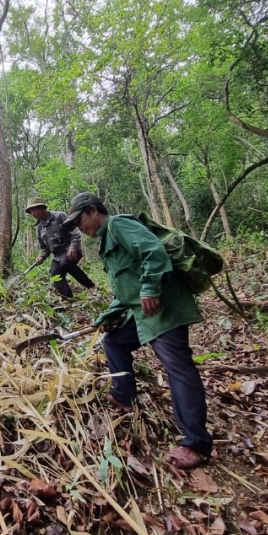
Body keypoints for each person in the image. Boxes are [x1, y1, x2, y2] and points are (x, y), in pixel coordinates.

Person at [62, 192, 213, 469]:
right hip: (142, 312)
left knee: (178, 368)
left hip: (163, 307)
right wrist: (106, 317)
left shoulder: (118, 224)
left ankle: (196, 444)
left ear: (93, 211)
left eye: (79, 220)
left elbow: (153, 251)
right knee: (115, 340)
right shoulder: (107, 243)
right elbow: (126, 290)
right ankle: (123, 395)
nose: (79, 228)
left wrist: (150, 288)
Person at [24, 197, 97, 299]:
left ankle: (91, 286)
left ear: (41, 207)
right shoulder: (39, 227)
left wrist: (73, 247)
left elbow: (75, 233)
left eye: (34, 210)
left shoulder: (59, 216)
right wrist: (41, 257)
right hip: (58, 256)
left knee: (65, 263)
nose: (32, 214)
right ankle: (67, 298)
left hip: (72, 249)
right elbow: (45, 249)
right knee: (55, 274)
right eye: (30, 211)